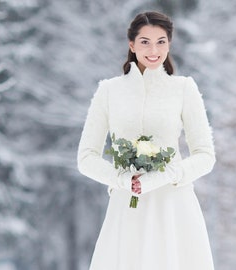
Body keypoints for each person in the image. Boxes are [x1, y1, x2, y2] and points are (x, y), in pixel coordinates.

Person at [77, 11, 216, 270]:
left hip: (174, 206)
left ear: (169, 44)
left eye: (161, 42)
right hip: (127, 206)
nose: (154, 50)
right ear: (131, 44)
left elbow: (205, 155)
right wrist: (123, 180)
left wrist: (165, 175)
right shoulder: (109, 91)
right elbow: (86, 158)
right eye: (145, 42)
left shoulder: (184, 89)